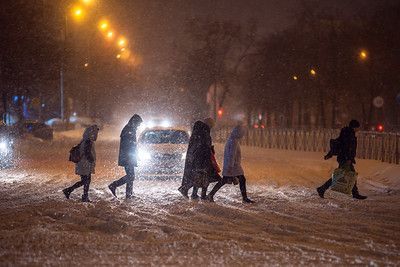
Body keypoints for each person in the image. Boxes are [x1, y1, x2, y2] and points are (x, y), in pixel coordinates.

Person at [317, 119, 367, 200]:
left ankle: (355, 193)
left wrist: (330, 154)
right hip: (345, 159)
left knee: (351, 175)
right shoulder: (348, 134)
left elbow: (340, 144)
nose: (358, 129)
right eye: (357, 127)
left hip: (345, 158)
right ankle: (321, 189)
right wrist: (348, 158)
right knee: (340, 176)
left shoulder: (347, 133)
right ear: (354, 127)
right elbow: (346, 148)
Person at [207, 124, 254, 203]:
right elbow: (231, 154)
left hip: (233, 165)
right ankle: (244, 198)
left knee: (225, 181)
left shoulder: (233, 139)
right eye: (242, 133)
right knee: (241, 179)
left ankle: (211, 194)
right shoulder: (233, 141)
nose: (243, 135)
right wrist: (230, 166)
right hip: (233, 166)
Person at [178, 118, 218, 199]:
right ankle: (185, 189)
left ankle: (194, 193)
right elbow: (204, 146)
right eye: (211, 126)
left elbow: (199, 146)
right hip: (202, 159)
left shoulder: (199, 131)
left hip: (196, 158)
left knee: (198, 176)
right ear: (209, 125)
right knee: (200, 176)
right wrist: (210, 149)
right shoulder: (205, 132)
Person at [108, 114, 143, 199]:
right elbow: (128, 145)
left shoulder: (130, 129)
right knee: (131, 176)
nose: (138, 126)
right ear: (134, 122)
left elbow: (132, 144)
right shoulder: (128, 129)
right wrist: (131, 154)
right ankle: (114, 185)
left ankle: (129, 194)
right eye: (138, 124)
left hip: (129, 156)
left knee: (130, 176)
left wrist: (135, 154)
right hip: (128, 157)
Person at [63, 125, 99, 202]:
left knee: (85, 181)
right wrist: (91, 160)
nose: (96, 135)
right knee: (86, 181)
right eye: (95, 132)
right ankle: (79, 194)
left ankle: (72, 191)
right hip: (85, 164)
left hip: (83, 163)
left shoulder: (85, 140)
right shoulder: (88, 141)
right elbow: (87, 152)